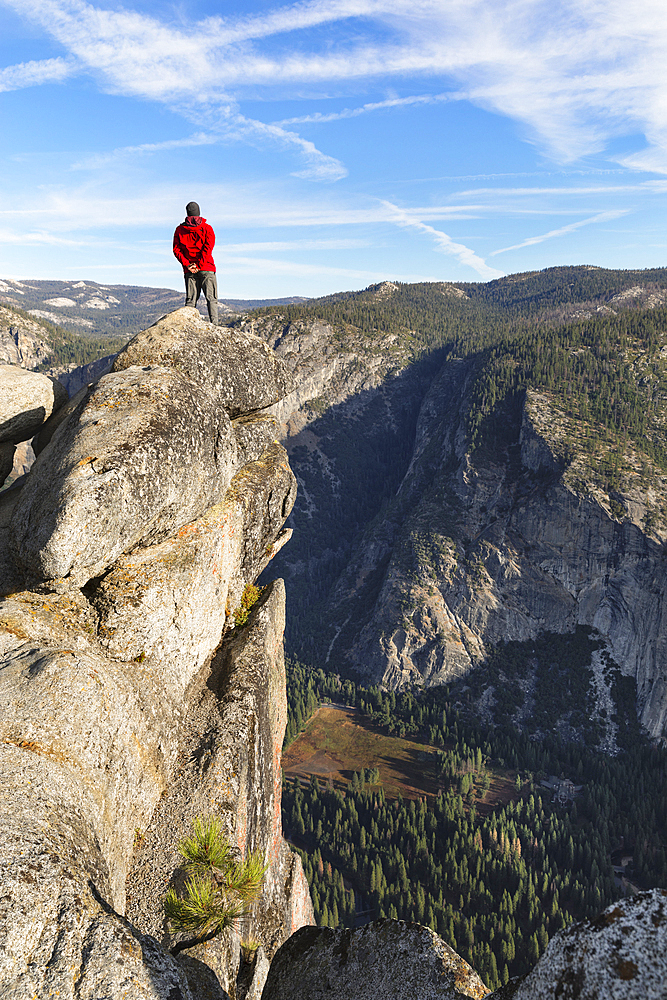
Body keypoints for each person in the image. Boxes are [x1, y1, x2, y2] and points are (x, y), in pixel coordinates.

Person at [173, 201, 219, 324]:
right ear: (199, 213)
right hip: (206, 268)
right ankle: (214, 326)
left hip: (189, 270)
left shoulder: (180, 230)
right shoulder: (207, 229)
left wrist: (188, 265)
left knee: (190, 301)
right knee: (211, 299)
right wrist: (199, 264)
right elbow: (208, 248)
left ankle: (188, 326)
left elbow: (176, 250)